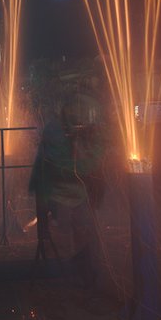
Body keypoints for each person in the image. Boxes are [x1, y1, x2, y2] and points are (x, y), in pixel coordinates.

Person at [29, 100, 103, 289]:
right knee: (68, 237)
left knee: (81, 235)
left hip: (75, 196)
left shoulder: (70, 133)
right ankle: (72, 277)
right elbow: (50, 167)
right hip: (63, 197)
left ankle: (83, 275)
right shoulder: (56, 133)